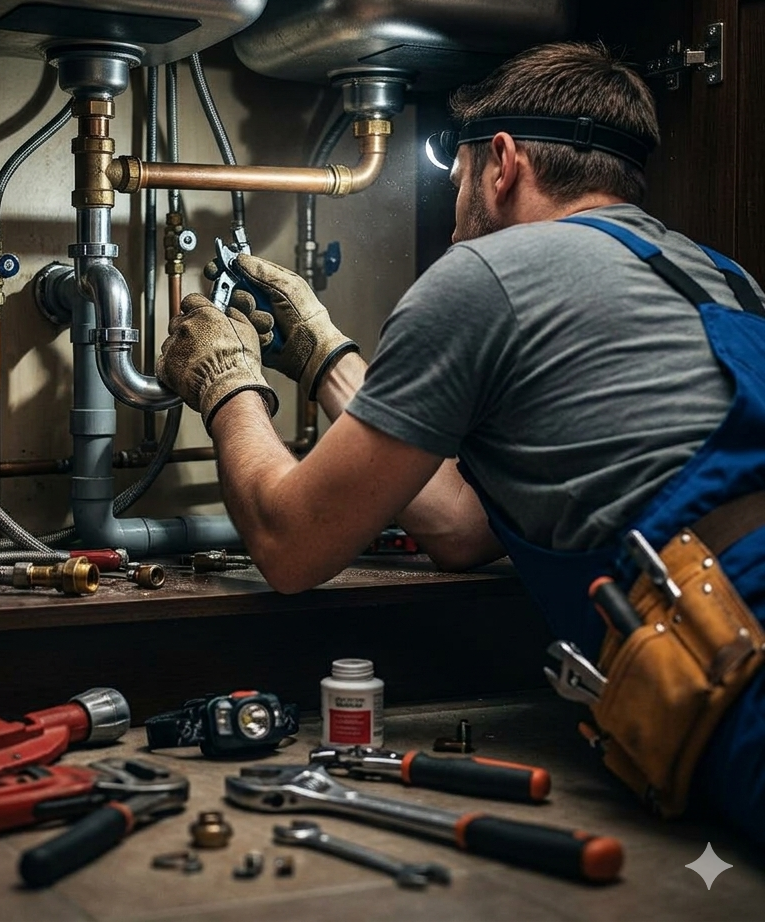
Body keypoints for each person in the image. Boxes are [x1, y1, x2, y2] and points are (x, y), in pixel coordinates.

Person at [155, 41, 765, 844]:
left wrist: (227, 384)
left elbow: (290, 542)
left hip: (742, 655)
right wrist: (324, 353)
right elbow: (466, 527)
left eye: (457, 181)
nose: (453, 216)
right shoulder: (725, 277)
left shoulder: (485, 271)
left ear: (502, 164)